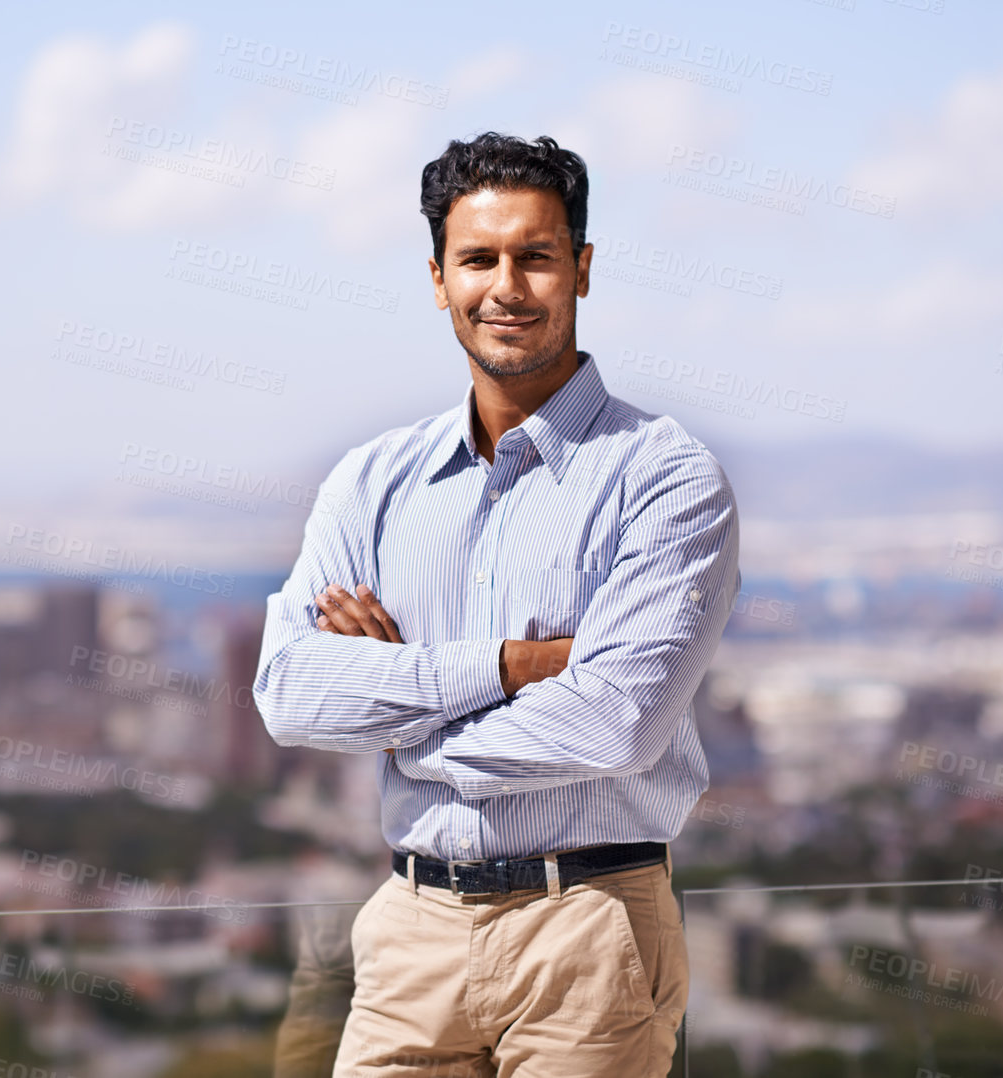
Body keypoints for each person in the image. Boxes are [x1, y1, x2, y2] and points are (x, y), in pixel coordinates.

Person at [253, 131, 741, 1076]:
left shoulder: (664, 477)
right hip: (409, 931)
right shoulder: (374, 482)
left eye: (536, 256)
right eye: (477, 258)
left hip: (589, 930)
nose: (505, 287)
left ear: (582, 269)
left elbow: (615, 723)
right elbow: (287, 692)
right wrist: (513, 668)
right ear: (438, 278)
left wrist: (396, 720)